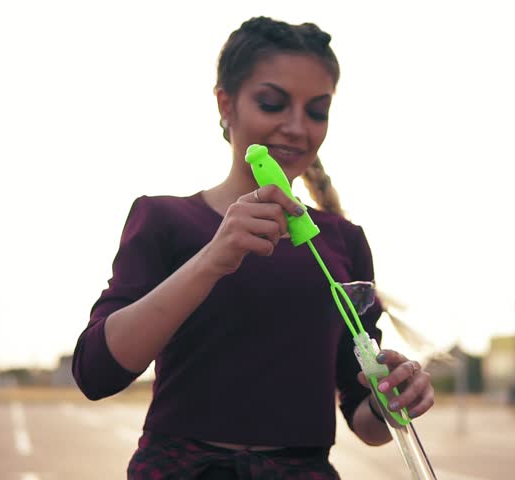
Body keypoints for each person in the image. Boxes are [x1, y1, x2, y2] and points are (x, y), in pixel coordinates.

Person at [72, 16, 435, 479]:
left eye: (317, 111)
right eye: (272, 103)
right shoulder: (164, 219)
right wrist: (213, 257)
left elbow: (363, 416)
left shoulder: (343, 240)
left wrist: (394, 399)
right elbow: (96, 371)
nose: (297, 128)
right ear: (227, 104)